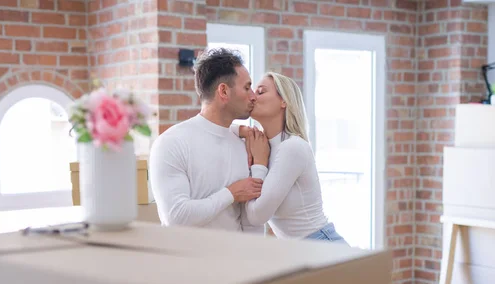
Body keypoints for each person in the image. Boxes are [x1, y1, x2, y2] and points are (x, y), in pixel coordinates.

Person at [149, 48, 264, 233]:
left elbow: (249, 221)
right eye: (246, 87)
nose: (253, 96)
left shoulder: (242, 142)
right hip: (188, 261)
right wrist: (231, 193)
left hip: (237, 259)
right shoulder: (170, 143)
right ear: (224, 91)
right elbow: (176, 217)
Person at [234, 72, 348, 244]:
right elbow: (214, 128)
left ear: (283, 101)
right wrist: (240, 131)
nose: (252, 96)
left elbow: (257, 216)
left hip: (321, 245)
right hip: (302, 249)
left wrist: (259, 164)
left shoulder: (292, 148)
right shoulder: (265, 147)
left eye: (261, 91)